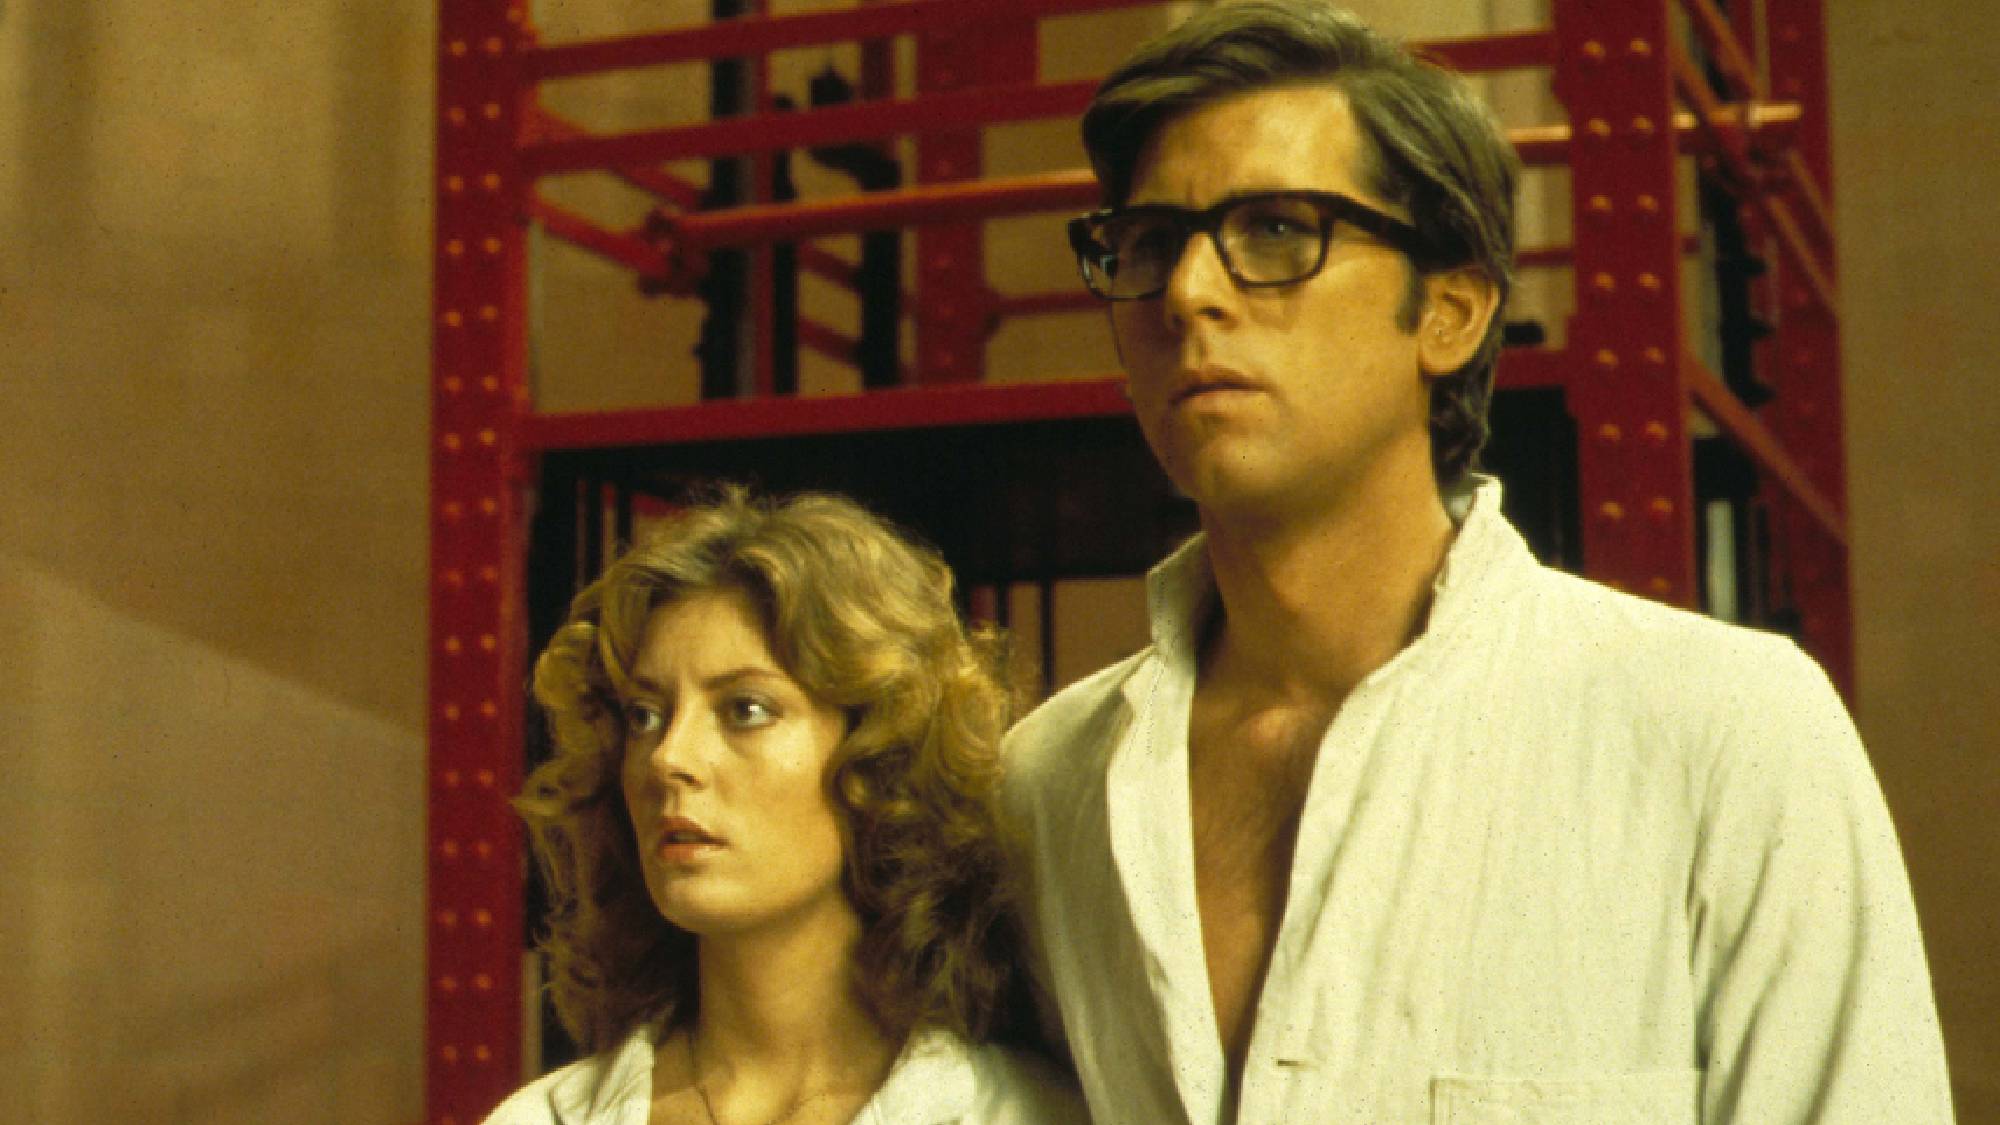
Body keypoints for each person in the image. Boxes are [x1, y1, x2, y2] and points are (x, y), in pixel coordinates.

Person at [1002, 2, 1953, 1123]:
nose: (1186, 294)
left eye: (1276, 231)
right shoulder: (1047, 782)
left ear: (1448, 312)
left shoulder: (1725, 729)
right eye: (1149, 244)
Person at [485, 488, 1086, 1125]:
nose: (668, 757)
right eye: (645, 715)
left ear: (880, 756)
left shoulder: (1021, 1114)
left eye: (745, 710)